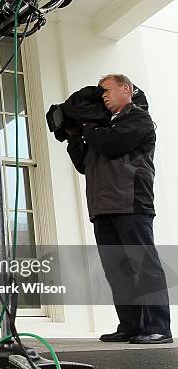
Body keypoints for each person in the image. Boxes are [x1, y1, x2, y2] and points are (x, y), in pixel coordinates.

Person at [66, 74, 172, 344]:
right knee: (117, 269)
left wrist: (88, 122)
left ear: (126, 89)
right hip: (102, 207)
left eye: (107, 90)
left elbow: (111, 146)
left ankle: (159, 327)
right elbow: (84, 164)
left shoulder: (138, 118)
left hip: (132, 202)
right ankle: (131, 326)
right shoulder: (102, 128)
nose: (103, 96)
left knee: (144, 265)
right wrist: (73, 137)